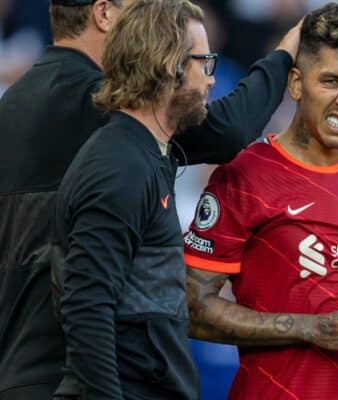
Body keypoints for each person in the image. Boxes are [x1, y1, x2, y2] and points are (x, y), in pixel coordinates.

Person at [0, 0, 300, 398]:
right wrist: (283, 56)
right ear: (104, 13)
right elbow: (227, 131)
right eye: (140, 6)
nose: (152, 19)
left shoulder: (11, 105)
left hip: (22, 362)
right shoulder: (112, 121)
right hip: (82, 372)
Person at [183, 3, 338, 399]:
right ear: (295, 84)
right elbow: (192, 308)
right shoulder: (246, 175)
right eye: (331, 81)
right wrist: (313, 328)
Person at [50, 0, 247, 398]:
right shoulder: (120, 168)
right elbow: (87, 307)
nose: (212, 80)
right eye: (203, 63)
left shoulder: (147, 155)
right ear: (168, 66)